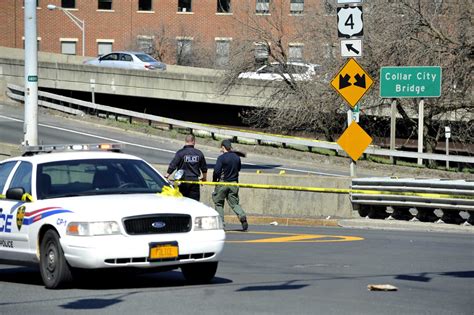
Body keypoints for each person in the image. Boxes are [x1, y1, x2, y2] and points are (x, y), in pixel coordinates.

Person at [212, 139, 248, 231]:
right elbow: (239, 168)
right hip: (234, 183)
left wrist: (214, 180)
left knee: (219, 203)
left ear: (223, 147)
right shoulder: (237, 157)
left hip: (223, 183)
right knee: (234, 203)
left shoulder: (221, 158)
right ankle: (242, 216)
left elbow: (217, 171)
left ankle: (221, 224)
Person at [165, 134, 207, 201]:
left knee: (181, 200)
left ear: (185, 141)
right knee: (194, 202)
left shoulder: (180, 153)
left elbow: (173, 165)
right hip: (194, 181)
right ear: (193, 141)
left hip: (182, 181)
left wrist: (167, 175)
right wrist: (204, 178)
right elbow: (204, 168)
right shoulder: (199, 153)